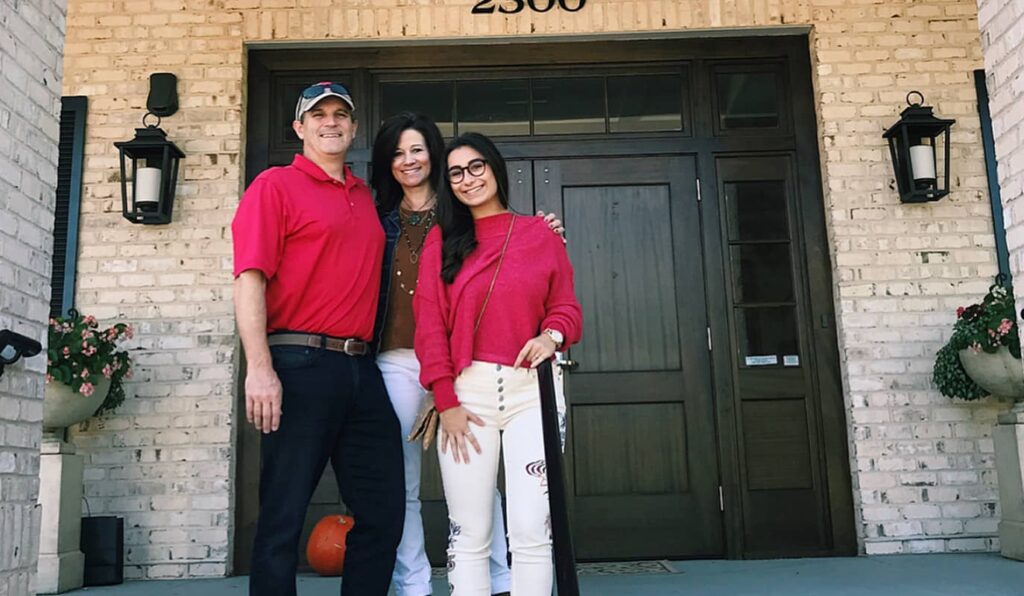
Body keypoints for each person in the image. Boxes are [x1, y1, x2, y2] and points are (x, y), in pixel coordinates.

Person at [370, 112, 562, 596]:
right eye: (396, 152)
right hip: (412, 363)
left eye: (417, 150)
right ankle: (415, 585)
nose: (408, 160)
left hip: (489, 373)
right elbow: (423, 316)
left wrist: (554, 332)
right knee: (410, 486)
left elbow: (560, 300)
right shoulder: (380, 221)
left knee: (510, 503)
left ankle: (503, 581)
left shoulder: (510, 227)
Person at [232, 81, 405, 596]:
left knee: (382, 510)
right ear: (299, 128)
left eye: (341, 115)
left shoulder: (366, 197)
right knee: (283, 516)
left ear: (353, 128)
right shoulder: (274, 186)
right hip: (298, 362)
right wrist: (259, 368)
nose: (331, 123)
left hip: (361, 368)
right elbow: (249, 280)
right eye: (319, 115)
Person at [413, 132, 582, 596]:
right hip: (467, 396)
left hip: (532, 392)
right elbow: (429, 328)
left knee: (531, 529)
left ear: (495, 168)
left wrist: (551, 337)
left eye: (477, 166)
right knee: (469, 534)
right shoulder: (441, 243)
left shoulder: (540, 234)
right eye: (456, 173)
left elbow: (566, 306)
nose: (468, 179)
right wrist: (444, 400)